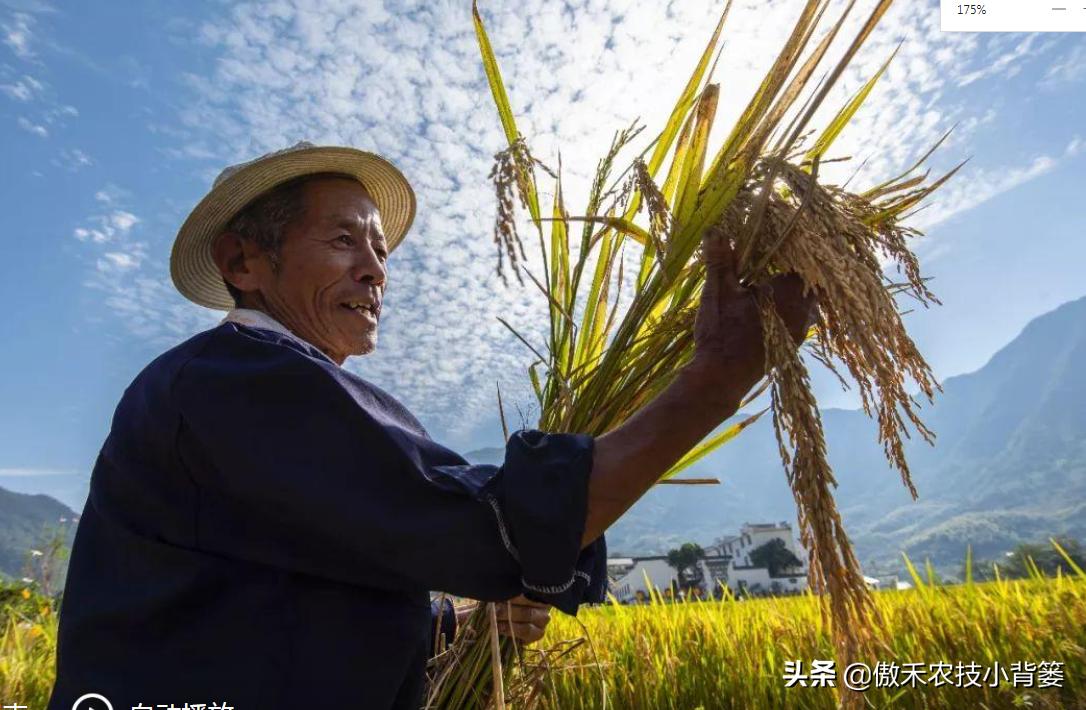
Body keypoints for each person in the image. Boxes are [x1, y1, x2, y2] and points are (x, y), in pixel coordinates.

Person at [47, 142, 814, 709]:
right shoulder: (235, 381)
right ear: (244, 262)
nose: (377, 269)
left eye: (379, 249)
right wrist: (715, 379)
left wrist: (453, 622)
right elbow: (497, 530)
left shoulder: (268, 400)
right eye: (345, 240)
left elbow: (288, 596)